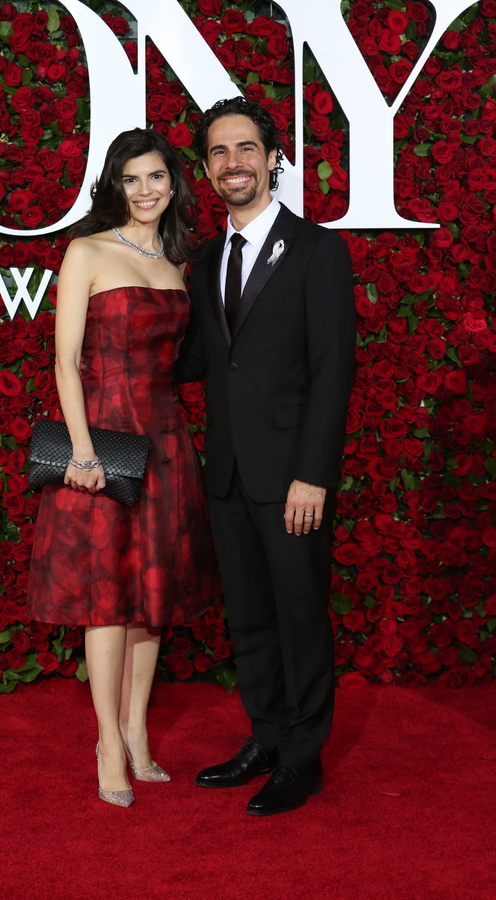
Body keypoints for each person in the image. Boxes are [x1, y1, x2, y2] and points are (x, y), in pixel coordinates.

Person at [26, 128, 218, 808]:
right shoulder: (86, 252)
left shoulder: (178, 264)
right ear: (114, 185)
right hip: (103, 440)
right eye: (132, 179)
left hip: (166, 441)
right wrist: (81, 450)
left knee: (151, 600)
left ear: (173, 184)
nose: (145, 190)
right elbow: (64, 360)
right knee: (106, 601)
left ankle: (138, 731)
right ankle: (107, 742)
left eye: (156, 178)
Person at [178, 97, 356, 816]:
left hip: (292, 478)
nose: (233, 164)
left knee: (300, 615)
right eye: (219, 154)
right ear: (207, 169)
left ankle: (303, 759)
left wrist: (313, 474)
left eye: (245, 149)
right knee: (248, 616)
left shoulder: (317, 250)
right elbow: (199, 359)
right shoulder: (206, 257)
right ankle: (267, 736)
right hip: (225, 472)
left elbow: (333, 370)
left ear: (274, 157)